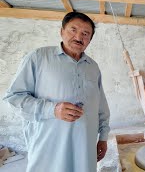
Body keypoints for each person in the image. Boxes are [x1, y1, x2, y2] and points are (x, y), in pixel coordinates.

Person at [3, 12, 110, 172]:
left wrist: (103, 137)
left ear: (90, 39)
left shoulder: (93, 67)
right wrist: (52, 109)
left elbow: (100, 105)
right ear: (61, 31)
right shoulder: (38, 58)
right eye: (73, 30)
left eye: (85, 34)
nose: (79, 37)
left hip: (85, 148)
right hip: (49, 147)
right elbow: (14, 97)